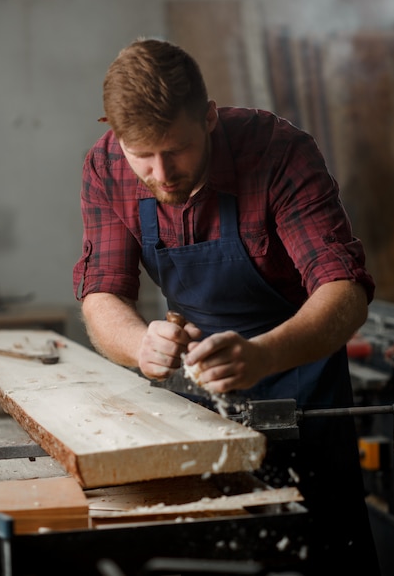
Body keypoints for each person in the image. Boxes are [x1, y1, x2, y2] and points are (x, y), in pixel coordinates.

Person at [73, 37, 380, 575]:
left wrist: (261, 356)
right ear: (113, 132)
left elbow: (344, 291)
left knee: (326, 551)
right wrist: (138, 344)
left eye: (177, 150)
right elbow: (104, 291)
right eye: (141, 155)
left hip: (298, 377)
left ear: (209, 117)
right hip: (193, 396)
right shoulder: (105, 167)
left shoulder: (277, 150)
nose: (162, 173)